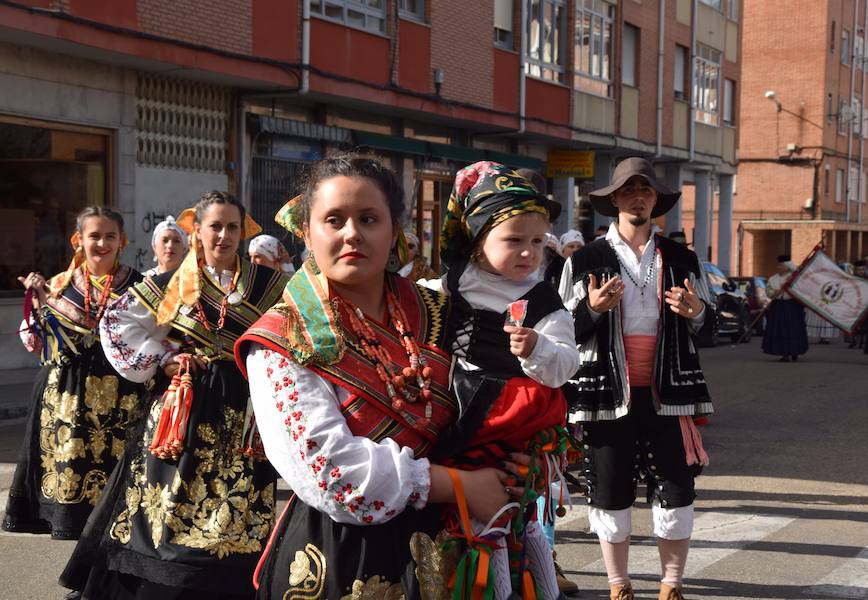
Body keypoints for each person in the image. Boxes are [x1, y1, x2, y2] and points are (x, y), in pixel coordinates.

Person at [232, 156, 517, 599]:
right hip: (347, 554)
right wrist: (461, 485)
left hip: (462, 539)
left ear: (394, 231)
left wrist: (523, 460)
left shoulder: (439, 311)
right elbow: (332, 473)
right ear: (307, 232)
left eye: (368, 219)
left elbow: (505, 398)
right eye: (333, 220)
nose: (352, 234)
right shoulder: (283, 340)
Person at [59, 191, 290, 599]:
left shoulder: (270, 285)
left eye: (232, 227)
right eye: (214, 226)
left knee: (239, 501)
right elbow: (119, 322)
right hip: (186, 405)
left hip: (246, 404)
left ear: (243, 231)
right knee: (170, 499)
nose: (223, 235)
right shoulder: (172, 283)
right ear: (197, 231)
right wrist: (164, 357)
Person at [558, 157, 715, 600]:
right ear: (615, 201)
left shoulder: (683, 258)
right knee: (609, 489)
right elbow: (561, 330)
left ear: (656, 201)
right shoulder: (587, 258)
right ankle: (618, 585)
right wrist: (592, 309)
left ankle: (672, 585)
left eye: (646, 191)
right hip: (606, 392)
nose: (639, 197)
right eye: (630, 190)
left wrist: (696, 311)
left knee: (676, 488)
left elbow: (712, 321)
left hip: (670, 392)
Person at [424, 161, 578, 600]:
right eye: (514, 241)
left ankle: (527, 590)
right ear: (477, 243)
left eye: (537, 242)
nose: (529, 253)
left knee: (511, 516)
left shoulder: (544, 300)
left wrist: (536, 351)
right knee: (467, 516)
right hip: (453, 405)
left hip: (510, 414)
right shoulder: (451, 285)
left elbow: (565, 364)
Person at [3, 207, 145, 541]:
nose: (101, 243)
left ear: (122, 241)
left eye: (110, 236)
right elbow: (35, 342)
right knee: (68, 455)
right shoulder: (57, 286)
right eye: (93, 235)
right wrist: (38, 304)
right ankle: (65, 517)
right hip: (66, 391)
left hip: (122, 391)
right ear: (78, 240)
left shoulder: (139, 286)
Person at [762, 255, 808, 362]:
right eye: (778, 265)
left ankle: (795, 351)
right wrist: (775, 292)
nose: (779, 267)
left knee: (793, 329)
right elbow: (768, 292)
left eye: (781, 265)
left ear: (787, 266)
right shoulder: (773, 279)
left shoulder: (794, 278)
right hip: (778, 306)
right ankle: (784, 353)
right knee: (780, 330)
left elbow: (801, 290)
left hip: (793, 307)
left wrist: (789, 287)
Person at [848, 260, 868, 349]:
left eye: (862, 270)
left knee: (864, 324)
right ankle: (853, 340)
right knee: (853, 323)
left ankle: (862, 341)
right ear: (855, 270)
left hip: (864, 304)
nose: (860, 272)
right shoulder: (851, 279)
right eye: (858, 270)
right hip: (853, 304)